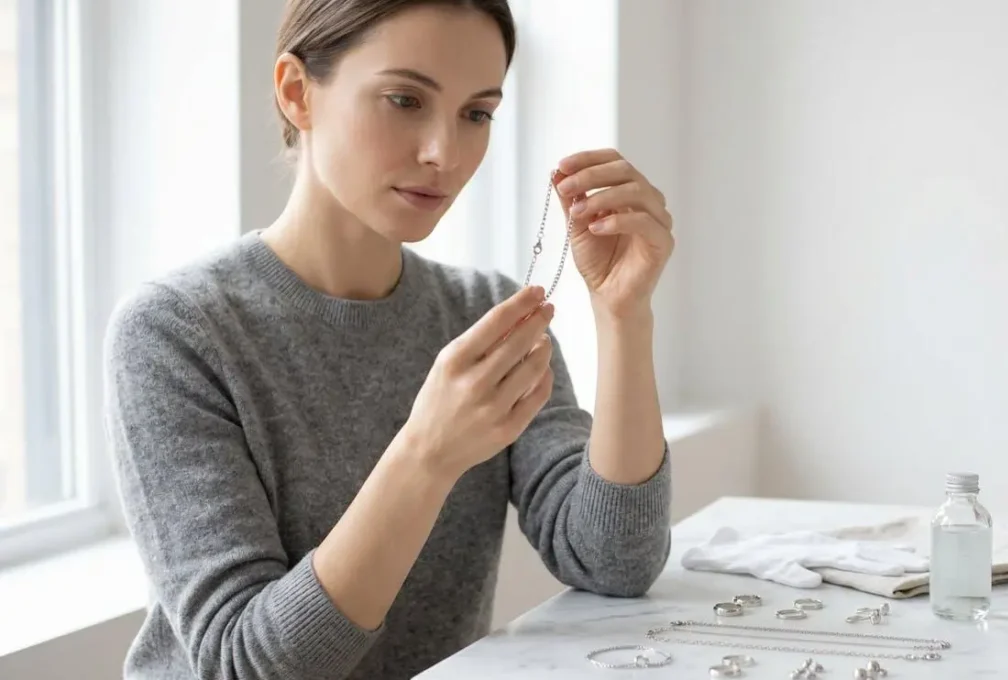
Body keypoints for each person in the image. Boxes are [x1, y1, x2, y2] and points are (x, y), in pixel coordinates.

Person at [102, 1, 675, 678]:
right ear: (296, 92)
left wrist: (624, 316)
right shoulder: (176, 332)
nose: (445, 153)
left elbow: (614, 561)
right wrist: (426, 453)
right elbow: (243, 665)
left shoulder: (479, 309)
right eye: (404, 100)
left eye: (476, 114)